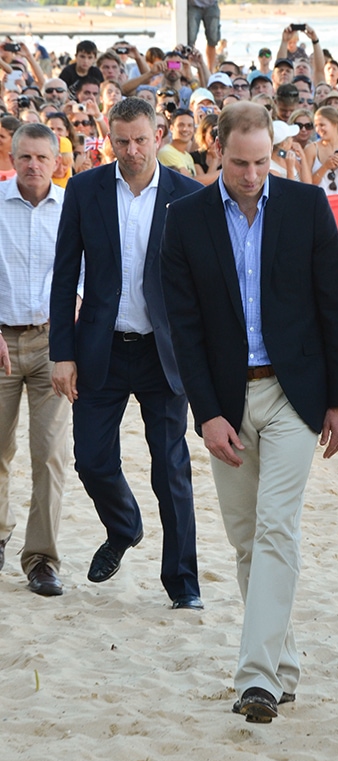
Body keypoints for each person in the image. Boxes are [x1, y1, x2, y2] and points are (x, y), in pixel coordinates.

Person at [160, 101, 338, 723]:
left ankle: (255, 680)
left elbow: (335, 306)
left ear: (274, 152)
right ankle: (283, 663)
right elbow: (183, 329)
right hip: (225, 399)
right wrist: (206, 412)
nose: (251, 175)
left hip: (295, 394)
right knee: (246, 540)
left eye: (263, 162)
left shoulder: (306, 206)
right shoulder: (185, 218)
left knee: (276, 527)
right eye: (240, 163)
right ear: (218, 151)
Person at [49, 98, 203, 610]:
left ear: (158, 135)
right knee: (90, 459)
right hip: (101, 348)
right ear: (107, 139)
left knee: (171, 469)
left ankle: (183, 584)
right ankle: (124, 526)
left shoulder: (186, 194)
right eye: (121, 141)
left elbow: (204, 286)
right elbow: (65, 272)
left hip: (164, 354)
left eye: (140, 139)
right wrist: (61, 352)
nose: (132, 150)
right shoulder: (85, 189)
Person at [0, 123, 70, 596]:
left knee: (49, 456)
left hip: (53, 344)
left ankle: (41, 560)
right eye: (25, 156)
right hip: (1, 341)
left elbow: (89, 266)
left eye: (42, 158)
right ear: (12, 157)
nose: (32, 166)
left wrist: (80, 304)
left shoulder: (71, 208)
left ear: (56, 161)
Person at [187, 0, 221, 72]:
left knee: (213, 39)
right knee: (190, 39)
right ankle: (188, 69)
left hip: (212, 4)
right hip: (193, 4)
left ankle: (210, 70)